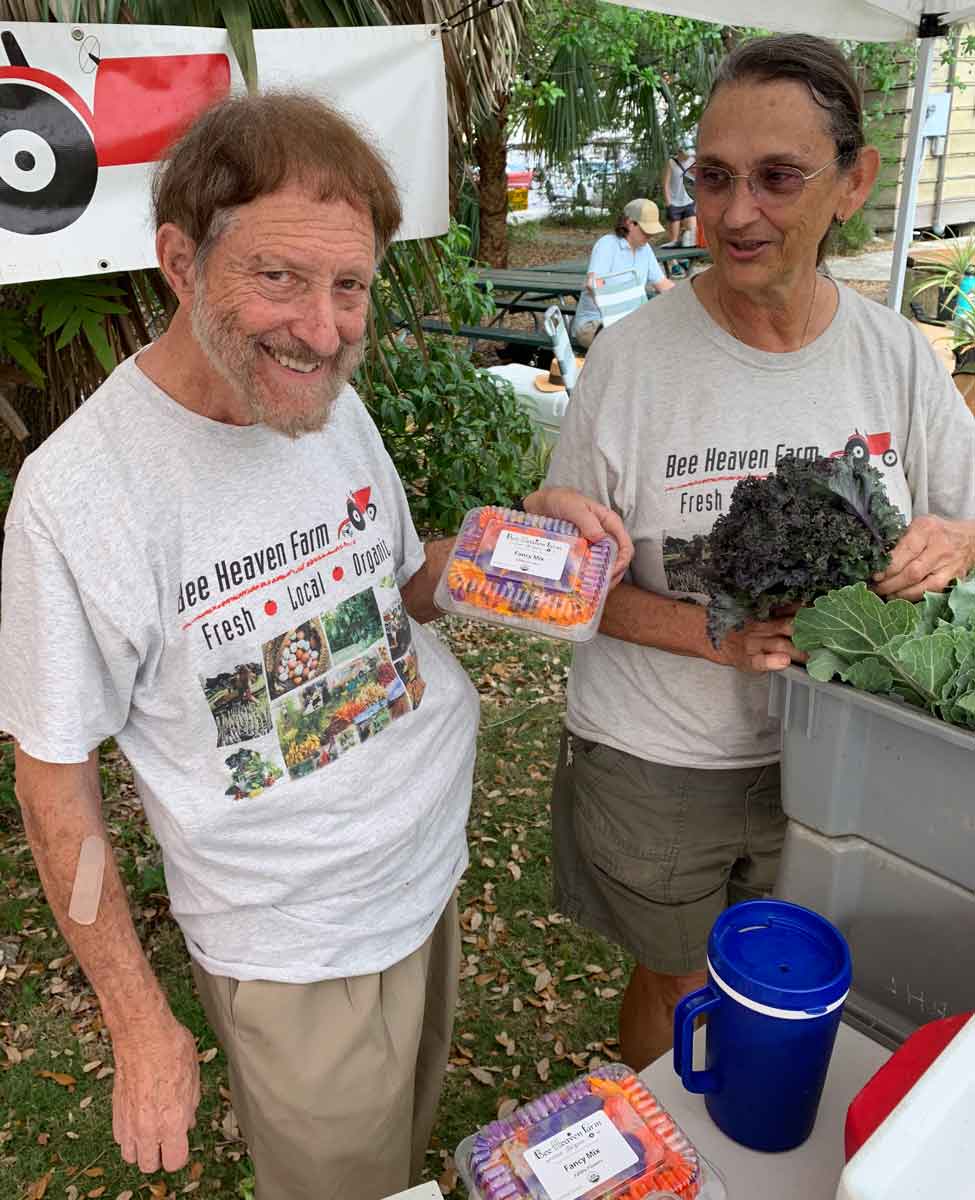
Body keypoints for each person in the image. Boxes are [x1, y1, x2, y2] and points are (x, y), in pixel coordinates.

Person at [0, 94, 631, 1199]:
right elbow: (55, 777)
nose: (327, 329)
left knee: (403, 1147)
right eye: (281, 277)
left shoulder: (318, 400)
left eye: (351, 288)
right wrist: (140, 1021)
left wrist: (509, 545)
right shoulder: (79, 495)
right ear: (180, 261)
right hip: (296, 947)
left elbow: (394, 585)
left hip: (426, 874)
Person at [537, 33, 975, 1073]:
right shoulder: (634, 362)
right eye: (714, 176)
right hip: (660, 759)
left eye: (778, 177)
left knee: (809, 981)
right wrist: (715, 635)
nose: (737, 213)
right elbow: (565, 586)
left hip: (847, 762)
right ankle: (662, 1145)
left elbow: (966, 515)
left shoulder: (894, 356)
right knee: (679, 981)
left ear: (852, 182)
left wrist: (954, 539)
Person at [571, 198, 675, 349]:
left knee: (666, 339)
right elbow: (593, 284)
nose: (649, 236)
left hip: (632, 324)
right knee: (631, 346)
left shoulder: (645, 249)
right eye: (646, 230)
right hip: (594, 323)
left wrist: (687, 297)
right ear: (629, 223)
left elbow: (663, 284)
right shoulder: (607, 244)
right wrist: (617, 312)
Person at [662, 141, 697, 248]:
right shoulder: (671, 163)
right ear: (680, 152)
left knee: (692, 234)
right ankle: (675, 262)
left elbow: (698, 179)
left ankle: (687, 260)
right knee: (674, 240)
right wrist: (668, 203)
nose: (688, 157)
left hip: (688, 201)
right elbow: (665, 184)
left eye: (690, 154)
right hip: (674, 202)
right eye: (686, 154)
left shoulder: (693, 161)